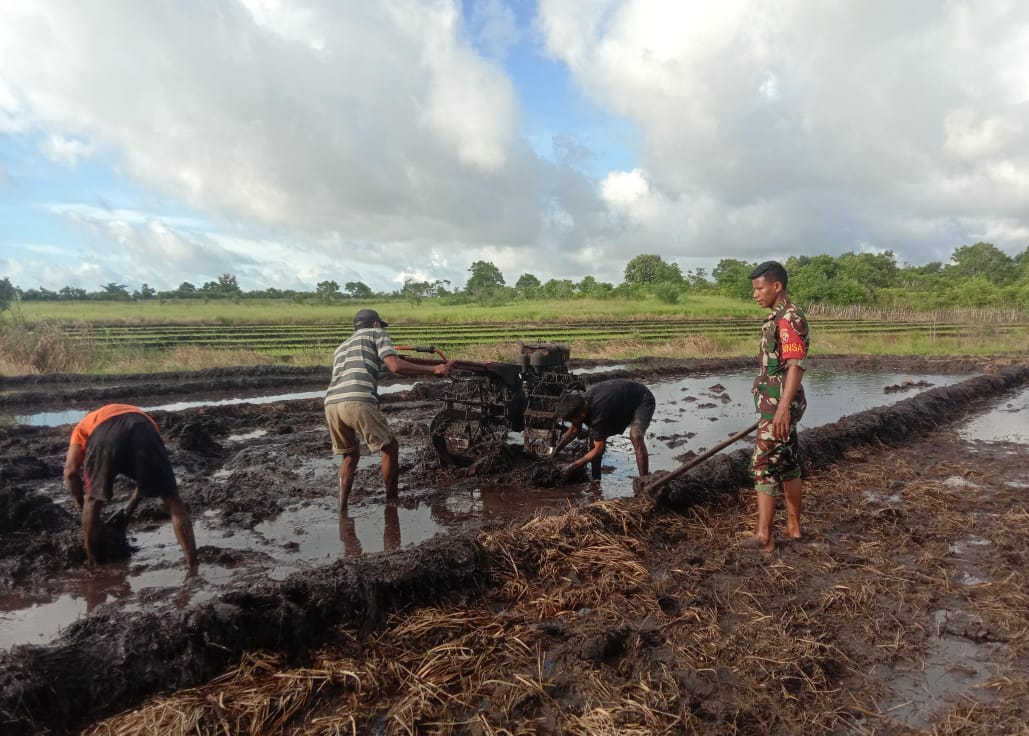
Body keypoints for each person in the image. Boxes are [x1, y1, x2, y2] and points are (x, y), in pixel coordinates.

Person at [325, 308, 449, 509]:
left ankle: (342, 508)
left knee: (350, 455)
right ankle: (392, 501)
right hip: (358, 399)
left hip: (331, 403)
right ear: (375, 324)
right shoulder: (377, 333)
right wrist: (435, 369)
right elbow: (395, 366)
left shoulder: (341, 347)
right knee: (390, 447)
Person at [63, 404, 198, 574]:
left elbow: (70, 472)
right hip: (143, 427)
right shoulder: (143, 417)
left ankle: (93, 562)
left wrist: (81, 506)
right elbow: (144, 481)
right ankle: (192, 565)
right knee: (172, 498)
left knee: (93, 500)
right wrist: (128, 513)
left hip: (104, 435)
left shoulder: (83, 426)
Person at [744, 261, 810, 552]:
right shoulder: (777, 316)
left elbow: (795, 366)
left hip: (779, 404)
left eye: (760, 288)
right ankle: (794, 527)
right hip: (776, 402)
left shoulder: (788, 319)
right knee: (788, 464)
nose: (755, 294)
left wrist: (782, 410)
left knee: (763, 466)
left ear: (777, 287)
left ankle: (764, 537)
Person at [552, 378, 655, 480]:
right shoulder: (581, 402)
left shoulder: (598, 414)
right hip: (620, 400)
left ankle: (643, 480)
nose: (572, 424)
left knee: (636, 436)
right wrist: (555, 452)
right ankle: (596, 480)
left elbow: (599, 448)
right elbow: (574, 430)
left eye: (572, 420)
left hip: (642, 399)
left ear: (581, 415)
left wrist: (574, 465)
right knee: (594, 439)